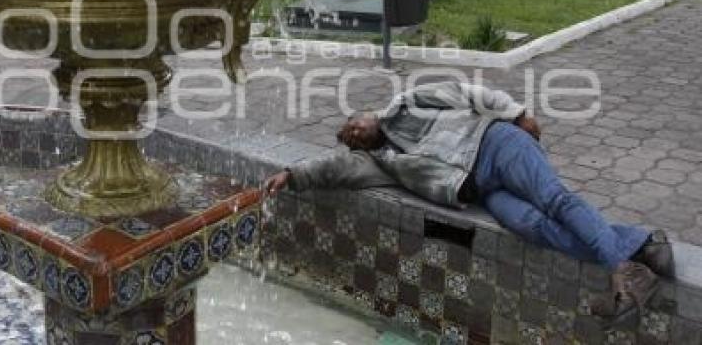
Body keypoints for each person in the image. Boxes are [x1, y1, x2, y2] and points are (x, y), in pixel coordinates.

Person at [265, 81, 674, 323]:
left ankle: (626, 272)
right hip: (483, 189)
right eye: (350, 137)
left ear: (367, 113)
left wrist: (517, 114)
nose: (355, 132)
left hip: (496, 144)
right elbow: (335, 169)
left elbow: (469, 92)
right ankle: (642, 246)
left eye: (354, 124)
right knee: (534, 228)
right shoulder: (382, 162)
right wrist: (292, 175)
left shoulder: (407, 101)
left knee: (554, 200)